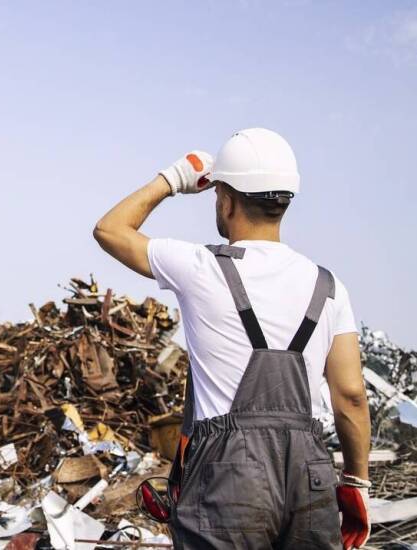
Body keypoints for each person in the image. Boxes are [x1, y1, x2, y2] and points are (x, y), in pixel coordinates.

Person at [92, 128, 371, 549]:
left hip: (229, 477)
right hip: (309, 477)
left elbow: (110, 229)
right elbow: (350, 395)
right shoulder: (328, 287)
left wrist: (174, 178)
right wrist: (356, 482)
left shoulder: (200, 266)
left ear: (225, 199)